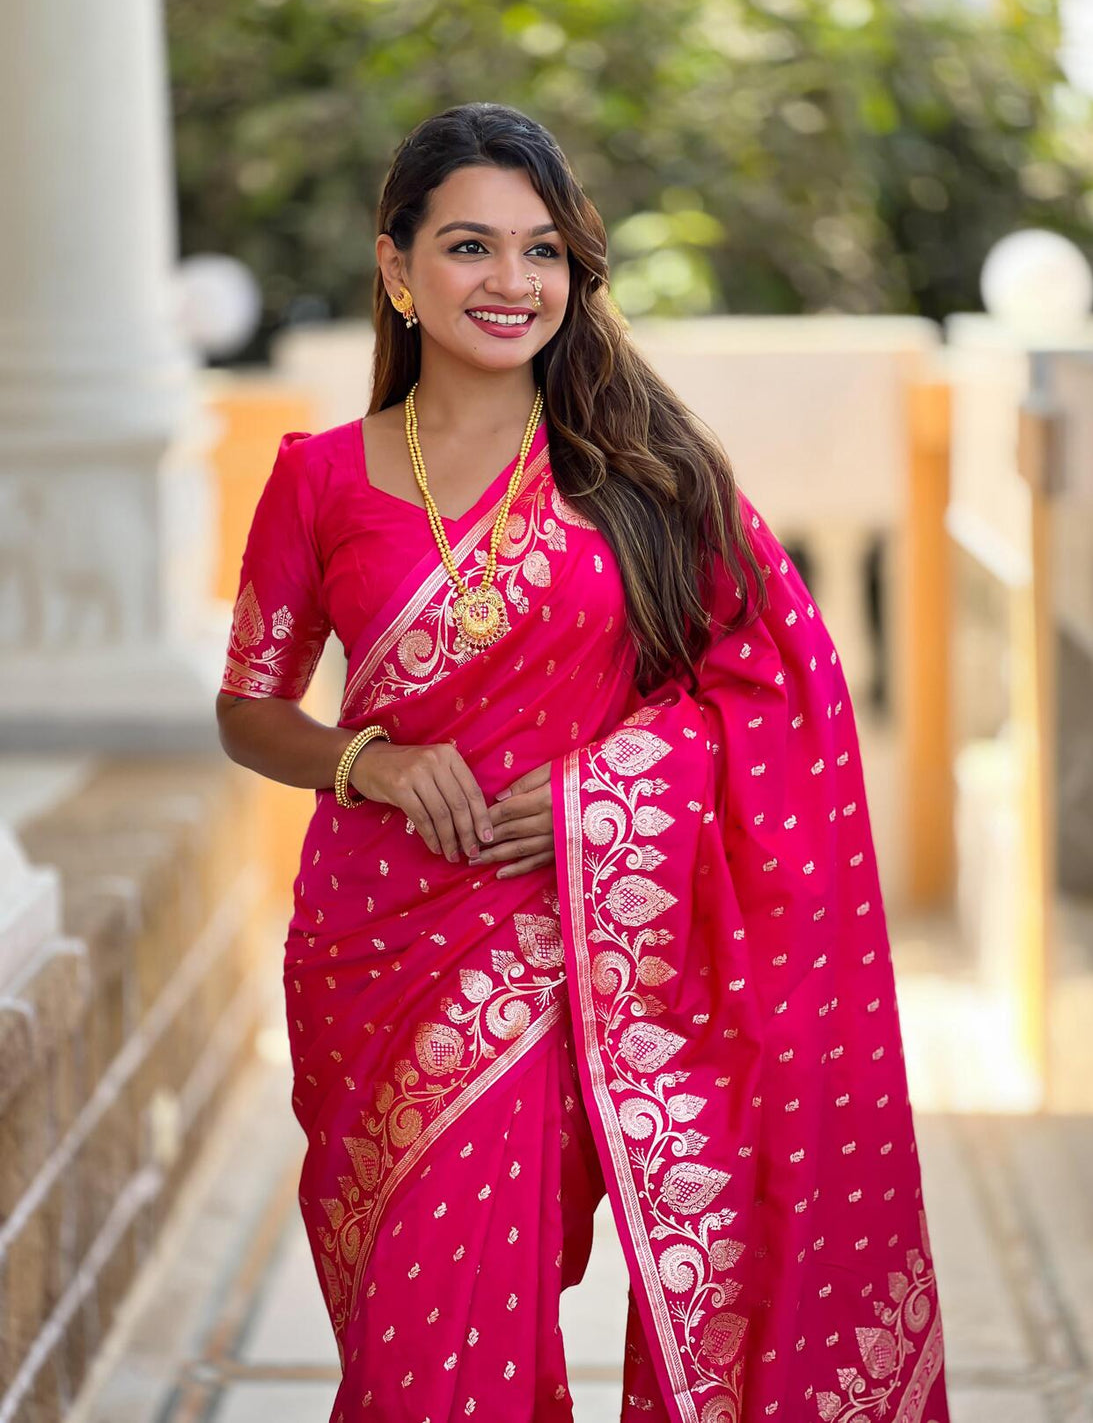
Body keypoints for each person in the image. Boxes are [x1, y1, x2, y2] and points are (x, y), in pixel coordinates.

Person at [216, 101, 951, 1423]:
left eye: (542, 249)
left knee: (455, 1357)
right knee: (417, 1350)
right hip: (375, 950)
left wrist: (595, 803)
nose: (512, 280)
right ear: (396, 267)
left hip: (578, 945)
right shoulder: (320, 480)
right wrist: (369, 762)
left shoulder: (643, 480)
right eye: (470, 246)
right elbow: (249, 710)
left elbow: (777, 690)